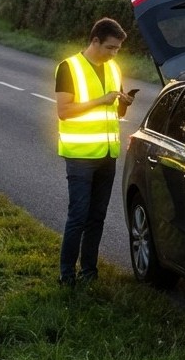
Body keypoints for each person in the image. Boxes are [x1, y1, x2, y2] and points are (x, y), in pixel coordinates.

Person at [54, 17, 134, 286]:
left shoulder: (114, 68)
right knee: (78, 215)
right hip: (80, 156)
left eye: (118, 50)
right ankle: (67, 274)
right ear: (95, 41)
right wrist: (101, 100)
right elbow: (64, 111)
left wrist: (124, 104)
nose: (114, 53)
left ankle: (89, 271)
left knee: (97, 217)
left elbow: (116, 111)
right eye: (110, 48)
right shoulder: (69, 67)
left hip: (107, 155)